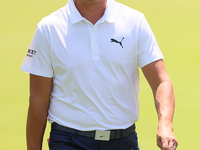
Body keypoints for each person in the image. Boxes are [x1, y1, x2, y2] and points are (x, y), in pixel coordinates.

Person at [21, 0, 178, 149]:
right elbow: (38, 101)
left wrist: (165, 125)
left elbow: (161, 81)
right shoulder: (48, 28)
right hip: (68, 140)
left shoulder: (134, 22)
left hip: (123, 141)